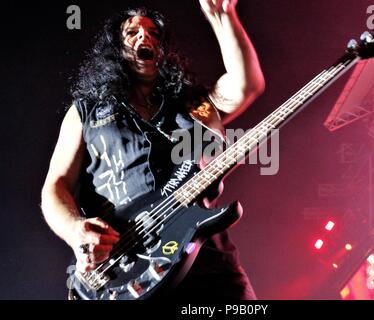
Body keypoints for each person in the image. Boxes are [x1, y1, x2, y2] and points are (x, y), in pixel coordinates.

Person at [40, 0, 264, 300]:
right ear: (117, 48)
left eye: (154, 33)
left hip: (206, 265)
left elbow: (245, 86)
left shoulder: (192, 104)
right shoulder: (86, 112)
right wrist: (74, 230)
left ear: (164, 51)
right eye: (132, 32)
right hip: (124, 271)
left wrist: (222, 15)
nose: (144, 37)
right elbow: (55, 185)